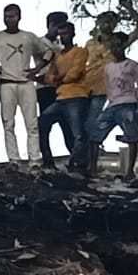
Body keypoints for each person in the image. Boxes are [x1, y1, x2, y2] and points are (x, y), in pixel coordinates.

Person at [0, 4, 54, 166]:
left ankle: (34, 158)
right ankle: (13, 158)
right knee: (8, 122)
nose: (9, 20)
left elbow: (48, 52)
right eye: (7, 16)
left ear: (19, 17)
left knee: (32, 122)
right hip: (7, 83)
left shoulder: (28, 37)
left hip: (26, 82)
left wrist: (36, 69)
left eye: (12, 16)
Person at [75, 32, 138, 178]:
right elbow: (108, 85)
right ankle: (92, 169)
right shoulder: (108, 67)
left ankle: (129, 171)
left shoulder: (132, 65)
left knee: (131, 137)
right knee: (95, 134)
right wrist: (110, 100)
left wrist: (137, 101)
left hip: (128, 103)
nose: (115, 49)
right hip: (112, 104)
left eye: (118, 45)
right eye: (113, 45)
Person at [82, 9, 138, 164]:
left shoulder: (118, 41)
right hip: (89, 86)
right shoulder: (90, 43)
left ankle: (93, 162)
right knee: (87, 125)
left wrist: (131, 10)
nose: (107, 25)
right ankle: (87, 161)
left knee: (96, 122)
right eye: (104, 21)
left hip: (109, 91)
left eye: (111, 22)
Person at [38, 21, 90, 171]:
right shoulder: (57, 55)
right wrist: (57, 78)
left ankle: (78, 164)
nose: (63, 36)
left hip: (77, 96)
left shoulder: (80, 51)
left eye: (66, 33)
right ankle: (48, 161)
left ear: (73, 34)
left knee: (78, 134)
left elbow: (75, 72)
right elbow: (49, 76)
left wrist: (58, 78)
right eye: (61, 34)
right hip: (60, 97)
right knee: (42, 123)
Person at [35, 12, 75, 167]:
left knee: (67, 123)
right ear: (50, 25)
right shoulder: (39, 43)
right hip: (44, 88)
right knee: (45, 124)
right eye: (58, 27)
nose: (60, 32)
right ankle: (47, 158)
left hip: (62, 88)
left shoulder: (62, 47)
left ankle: (75, 156)